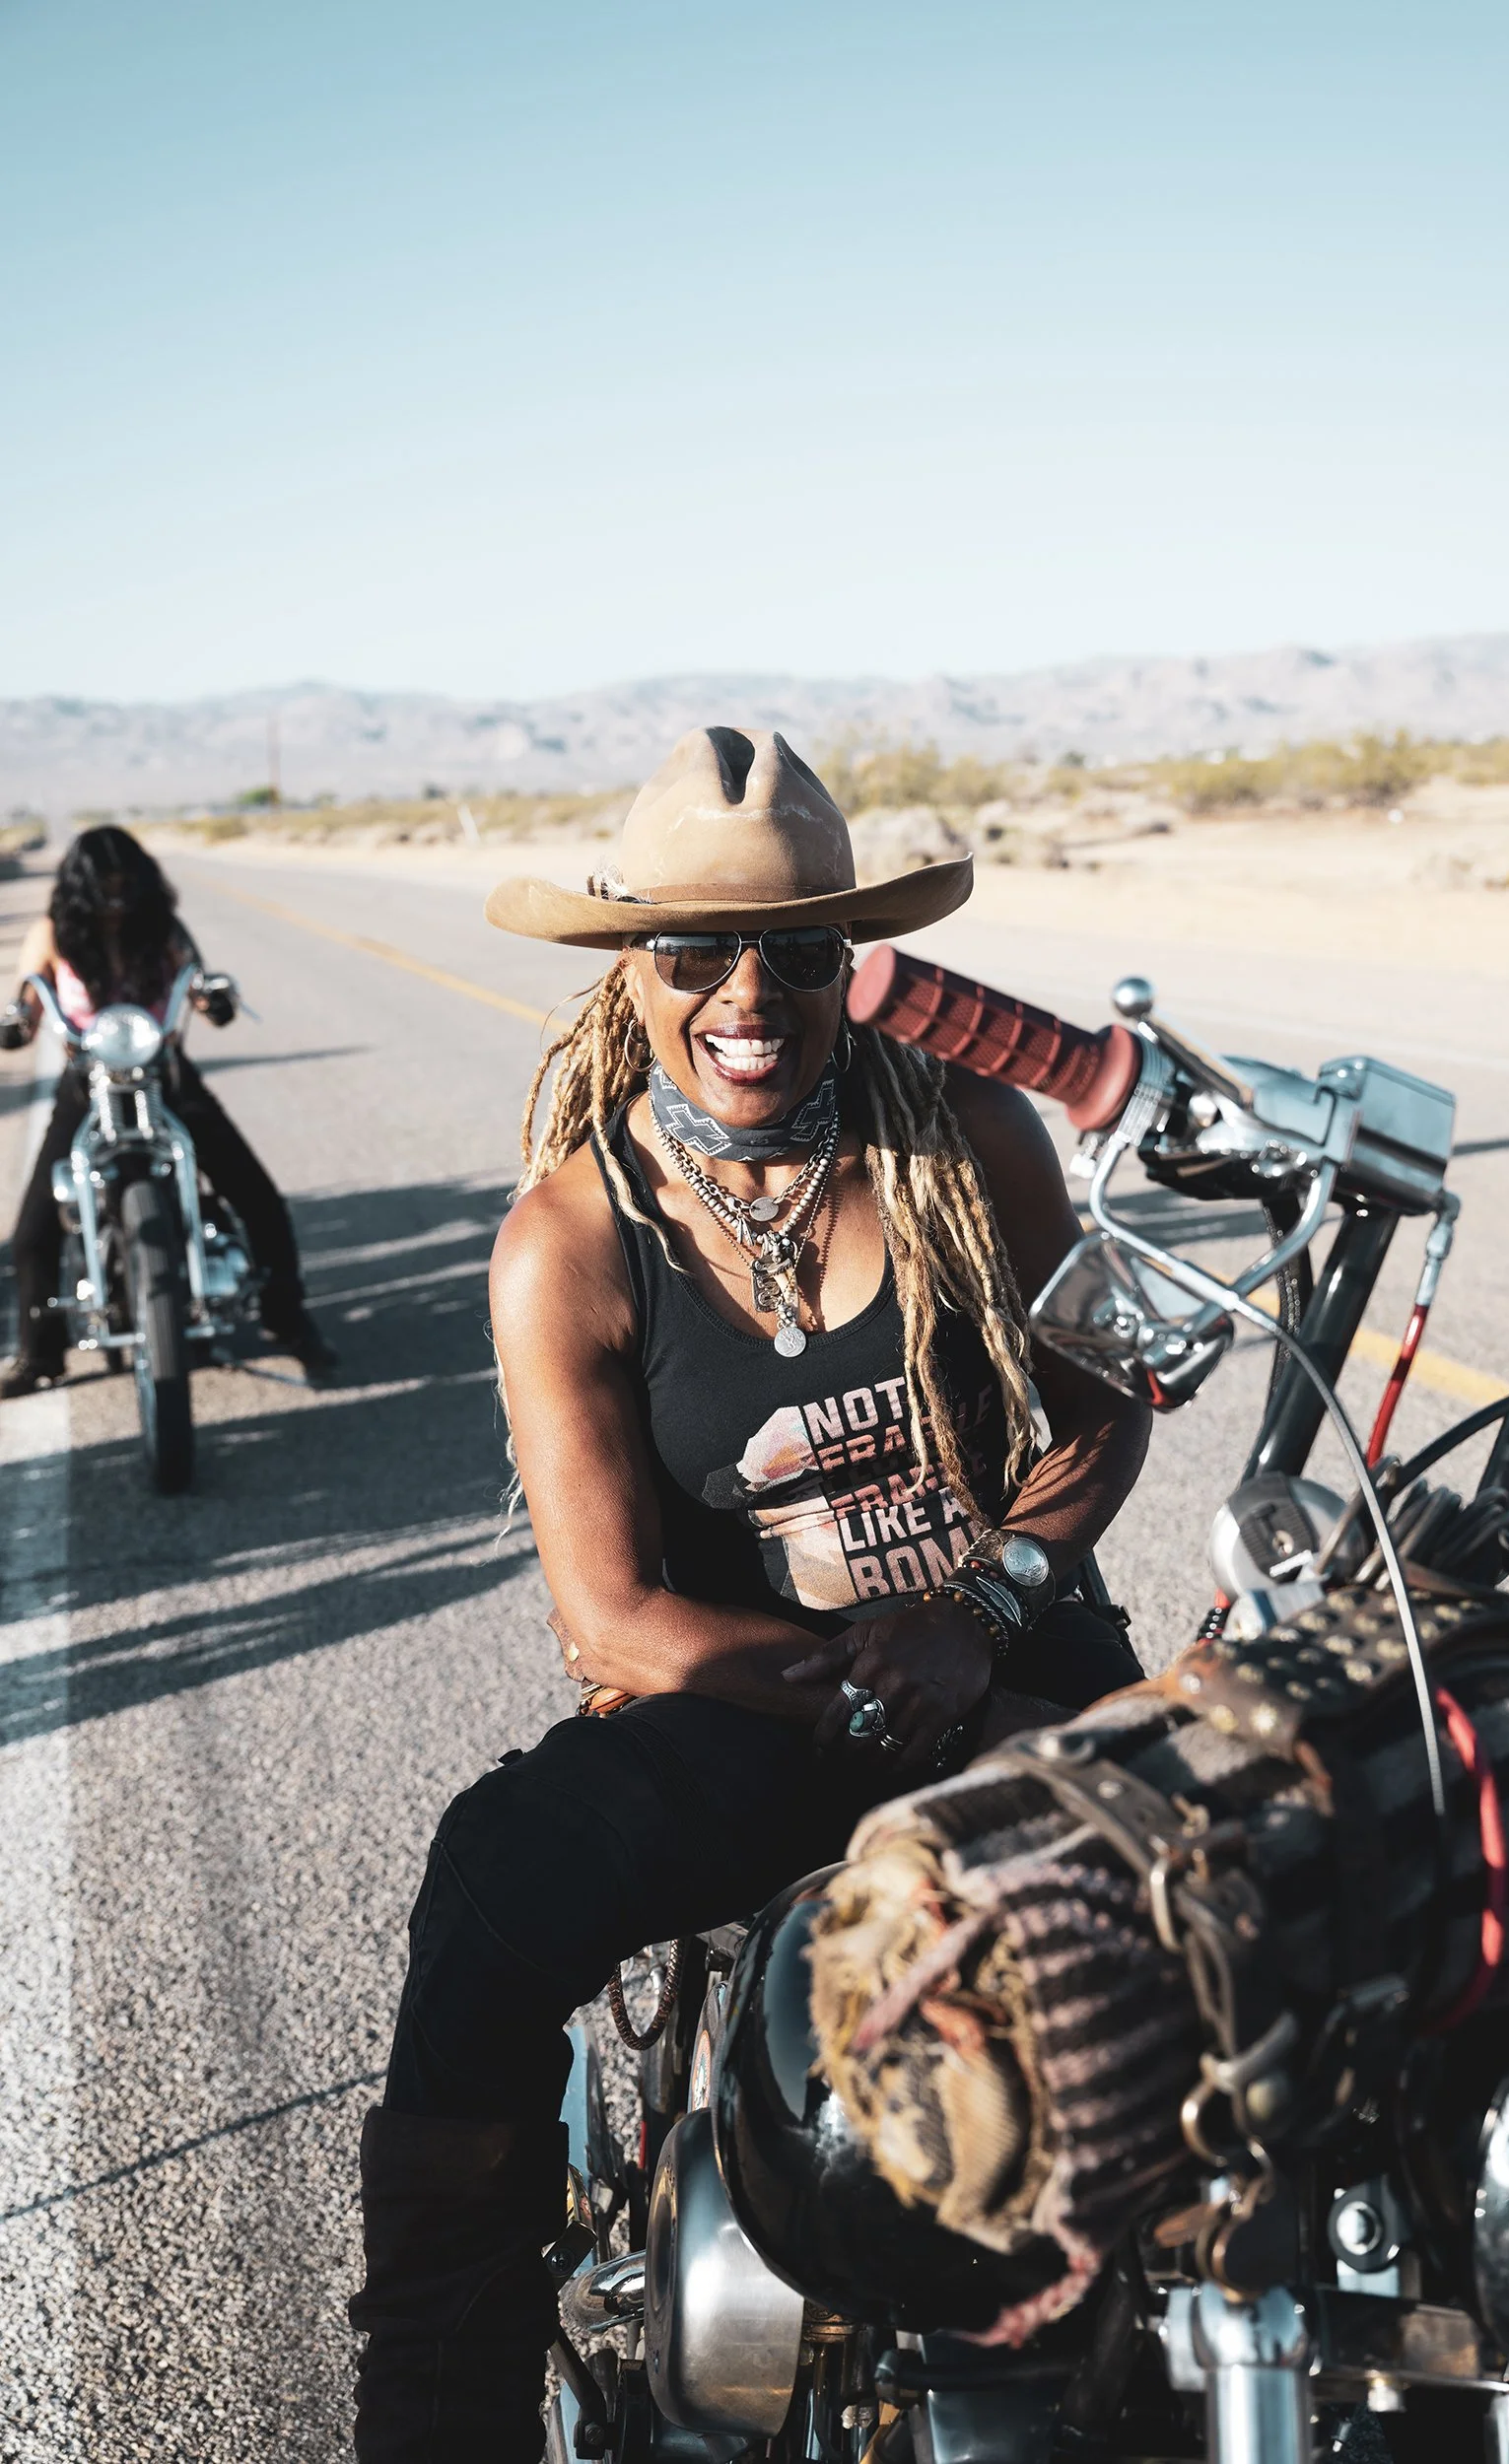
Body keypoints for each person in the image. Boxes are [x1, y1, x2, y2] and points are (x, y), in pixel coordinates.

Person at [349, 727, 1151, 2462]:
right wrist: (880, 1685)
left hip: (1002, 1651)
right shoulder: (567, 1238)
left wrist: (990, 1608)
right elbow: (612, 1620)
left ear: (849, 964)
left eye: (796, 951)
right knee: (492, 1883)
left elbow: (1101, 1401)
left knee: (1240, 1868)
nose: (747, 993)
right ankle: (433, 2399)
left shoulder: (966, 1136)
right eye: (694, 951)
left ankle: (1199, 2338)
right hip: (743, 1706)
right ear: (630, 969)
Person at [0, 824, 335, 1393]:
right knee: (32, 1230)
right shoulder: (54, 934)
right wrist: (15, 1019)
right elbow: (25, 1007)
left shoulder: (164, 930)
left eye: (124, 881)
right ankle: (39, 1357)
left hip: (166, 1078)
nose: (115, 895)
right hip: (90, 1084)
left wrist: (212, 997)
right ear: (79, 886)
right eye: (103, 884)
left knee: (258, 1196)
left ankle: (287, 1318)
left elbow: (202, 989)